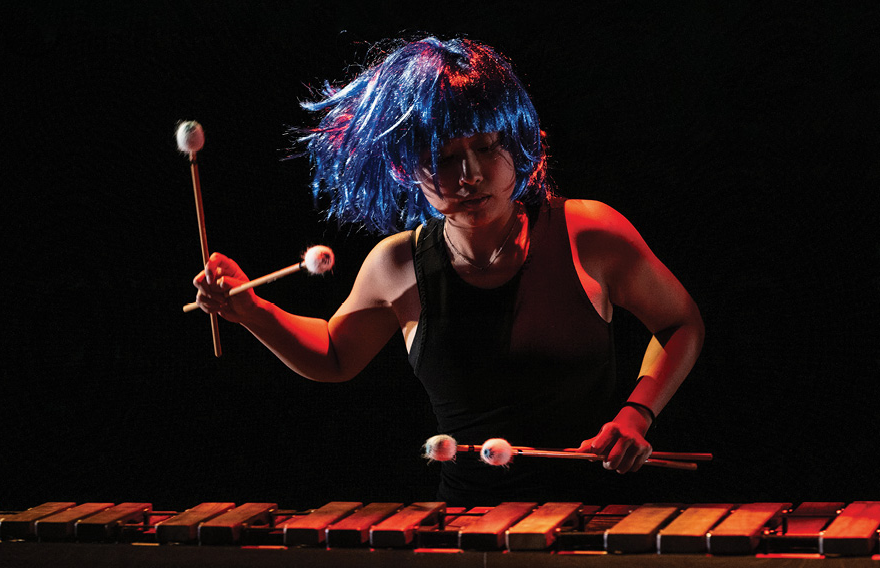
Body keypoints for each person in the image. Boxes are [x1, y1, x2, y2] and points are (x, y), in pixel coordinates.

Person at [193, 37, 704, 505]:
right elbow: (335, 355)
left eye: (486, 147)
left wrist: (638, 413)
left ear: (518, 142)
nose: (471, 175)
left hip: (600, 519)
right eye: (444, 156)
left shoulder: (588, 233)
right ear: (403, 167)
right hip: (464, 526)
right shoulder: (397, 263)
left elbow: (681, 324)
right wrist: (253, 311)